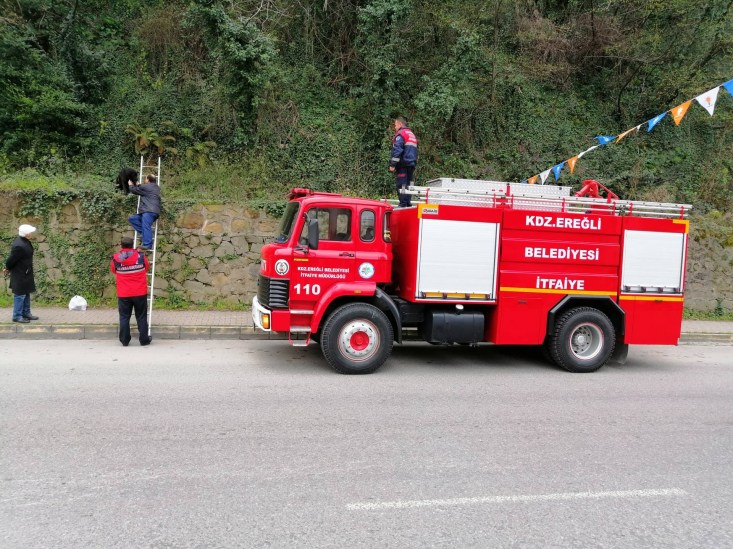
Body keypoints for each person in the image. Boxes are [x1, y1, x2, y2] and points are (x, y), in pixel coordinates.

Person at [110, 236, 151, 346]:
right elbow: (146, 268)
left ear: (121, 245)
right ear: (132, 245)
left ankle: (124, 340)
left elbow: (114, 270)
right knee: (141, 316)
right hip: (140, 292)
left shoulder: (116, 258)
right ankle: (144, 340)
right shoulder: (140, 256)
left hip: (124, 293)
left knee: (124, 317)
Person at [3, 224, 39, 323]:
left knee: (26, 293)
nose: (31, 233)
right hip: (20, 273)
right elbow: (11, 259)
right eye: (30, 232)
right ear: (26, 234)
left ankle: (26, 313)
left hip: (26, 272)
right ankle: (17, 316)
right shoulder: (19, 245)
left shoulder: (25, 241)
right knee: (20, 295)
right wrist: (7, 268)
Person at [388, 115, 418, 207]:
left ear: (400, 124)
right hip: (411, 164)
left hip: (403, 164)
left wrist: (393, 164)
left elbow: (397, 150)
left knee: (402, 185)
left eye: (395, 125)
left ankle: (403, 203)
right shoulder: (411, 134)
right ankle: (408, 203)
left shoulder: (401, 134)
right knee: (409, 184)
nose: (395, 127)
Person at [128, 174, 160, 251]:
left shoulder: (147, 187)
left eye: (145, 179)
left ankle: (147, 244)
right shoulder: (156, 187)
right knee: (132, 219)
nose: (144, 180)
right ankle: (146, 235)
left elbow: (134, 190)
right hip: (151, 211)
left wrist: (130, 185)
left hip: (149, 211)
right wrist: (139, 185)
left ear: (148, 180)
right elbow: (143, 188)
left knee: (146, 226)